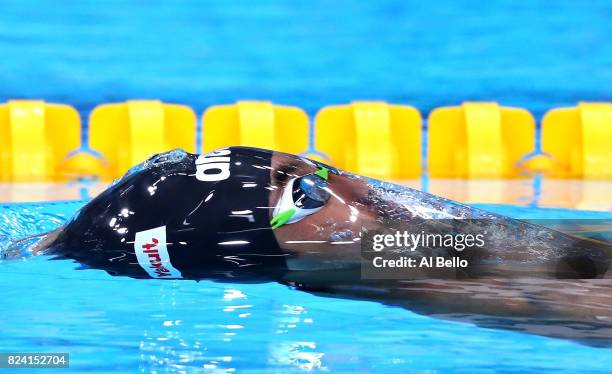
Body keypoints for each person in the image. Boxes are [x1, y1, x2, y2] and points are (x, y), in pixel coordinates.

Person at [15, 147, 612, 344]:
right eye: (304, 194)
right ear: (254, 256)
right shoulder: (409, 268)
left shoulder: (393, 252)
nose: (346, 187)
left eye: (311, 169)